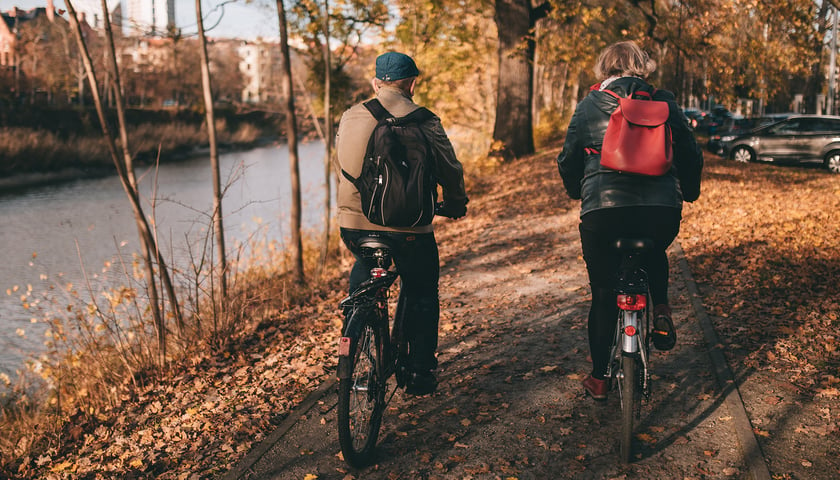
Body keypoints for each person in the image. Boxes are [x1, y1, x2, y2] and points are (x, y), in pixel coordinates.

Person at [556, 41, 703, 400]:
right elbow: (690, 152)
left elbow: (567, 158)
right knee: (653, 247)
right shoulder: (664, 102)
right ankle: (663, 308)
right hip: (661, 212)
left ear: (604, 68)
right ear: (643, 68)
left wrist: (578, 190)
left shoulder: (589, 105)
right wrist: (691, 191)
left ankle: (599, 379)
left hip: (602, 213)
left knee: (604, 294)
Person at [335, 51, 468, 395]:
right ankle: (421, 371)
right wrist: (455, 203)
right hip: (411, 230)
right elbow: (450, 170)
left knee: (364, 270)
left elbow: (344, 165)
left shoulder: (352, 116)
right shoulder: (425, 120)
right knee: (423, 291)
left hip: (356, 226)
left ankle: (355, 329)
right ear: (411, 83)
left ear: (376, 82)